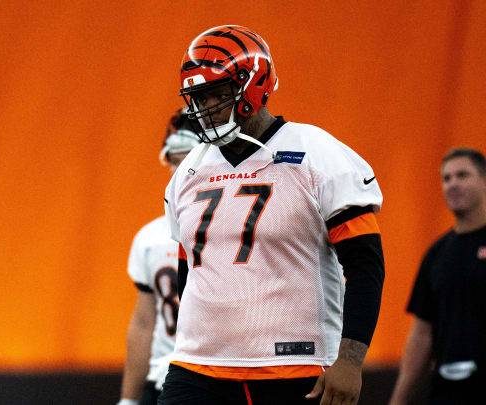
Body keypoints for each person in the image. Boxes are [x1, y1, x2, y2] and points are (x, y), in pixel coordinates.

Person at [158, 25, 386, 405]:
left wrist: (350, 360)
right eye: (199, 96)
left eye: (217, 93)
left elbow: (365, 265)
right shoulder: (189, 170)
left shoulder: (317, 153)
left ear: (253, 85)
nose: (207, 107)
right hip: (197, 368)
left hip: (295, 366)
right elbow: (191, 271)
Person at [389, 148, 486, 405]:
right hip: (448, 392)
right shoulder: (437, 253)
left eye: (462, 175)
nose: (453, 184)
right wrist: (399, 399)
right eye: (447, 178)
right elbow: (422, 333)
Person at [118, 109, 203, 405]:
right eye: (175, 162)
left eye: (190, 160)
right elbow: (143, 323)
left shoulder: (238, 228)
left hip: (224, 376)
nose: (181, 172)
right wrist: (128, 400)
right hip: (166, 380)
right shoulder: (151, 238)